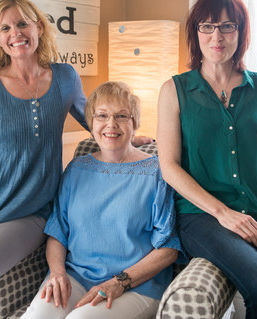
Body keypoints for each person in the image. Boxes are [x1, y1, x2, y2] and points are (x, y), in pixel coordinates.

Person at [0, 0, 90, 319]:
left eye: (22, 23)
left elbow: (97, 120)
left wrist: (134, 134)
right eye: (5, 28)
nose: (15, 33)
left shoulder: (65, 78)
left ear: (39, 28)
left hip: (31, 212)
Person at [157, 0, 257, 319]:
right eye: (207, 26)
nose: (217, 36)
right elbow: (168, 167)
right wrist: (224, 213)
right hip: (203, 217)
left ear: (241, 32)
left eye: (227, 26)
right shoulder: (174, 90)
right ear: (195, 33)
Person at [21, 81, 184, 319]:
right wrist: (56, 273)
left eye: (121, 116)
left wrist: (119, 282)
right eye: (102, 115)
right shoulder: (76, 169)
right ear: (92, 122)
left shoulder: (157, 173)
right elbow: (57, 233)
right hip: (75, 277)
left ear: (135, 123)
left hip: (135, 286)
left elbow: (169, 248)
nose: (111, 124)